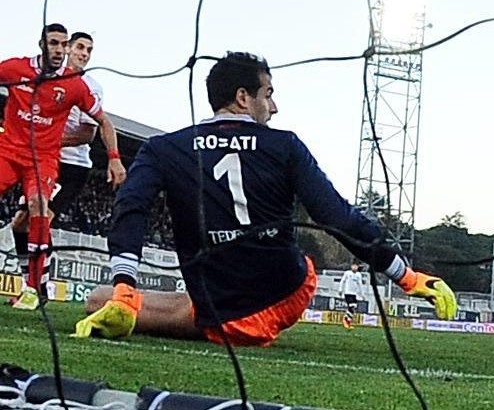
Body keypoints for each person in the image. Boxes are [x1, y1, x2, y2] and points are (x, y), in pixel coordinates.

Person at [74, 51, 456, 346]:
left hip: (221, 310)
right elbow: (336, 216)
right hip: (287, 291)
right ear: (243, 97)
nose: (273, 106)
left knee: (101, 298)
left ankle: (128, 299)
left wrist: (126, 285)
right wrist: (407, 276)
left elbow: (130, 208)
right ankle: (155, 302)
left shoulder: (164, 148)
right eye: (268, 94)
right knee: (98, 299)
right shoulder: (284, 145)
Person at [0, 24, 125, 310]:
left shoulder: (82, 84)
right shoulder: (16, 69)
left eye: (87, 50)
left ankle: (36, 287)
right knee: (19, 224)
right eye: (58, 44)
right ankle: (33, 284)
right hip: (11, 151)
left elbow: (95, 128)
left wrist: (114, 156)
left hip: (62, 162)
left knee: (39, 208)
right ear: (45, 45)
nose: (63, 50)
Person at [339, 261, 366, 330]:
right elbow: (342, 281)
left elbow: (360, 285)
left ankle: (348, 321)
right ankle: (345, 319)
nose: (354, 267)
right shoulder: (347, 273)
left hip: (354, 294)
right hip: (348, 293)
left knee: (353, 308)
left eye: (356, 266)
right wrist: (340, 290)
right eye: (353, 266)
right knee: (352, 306)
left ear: (357, 267)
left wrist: (362, 294)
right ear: (351, 266)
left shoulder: (358, 275)